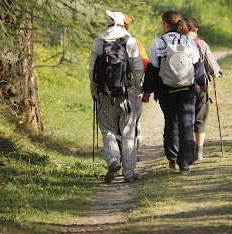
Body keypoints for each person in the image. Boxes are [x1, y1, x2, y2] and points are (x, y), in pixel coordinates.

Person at [142, 10, 207, 174]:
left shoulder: (157, 42)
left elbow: (152, 70)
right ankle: (184, 163)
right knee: (187, 124)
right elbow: (197, 65)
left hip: (166, 91)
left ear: (165, 24)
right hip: (187, 90)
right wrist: (203, 83)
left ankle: (173, 158)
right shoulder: (188, 41)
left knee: (171, 122)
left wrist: (147, 92)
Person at [89, 10, 144, 183]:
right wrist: (137, 88)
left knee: (108, 130)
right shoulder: (130, 41)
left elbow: (92, 72)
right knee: (128, 132)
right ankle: (129, 173)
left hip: (105, 94)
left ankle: (113, 159)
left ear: (107, 24)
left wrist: (94, 91)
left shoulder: (99, 42)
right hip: (127, 94)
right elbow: (138, 68)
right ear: (122, 24)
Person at [184, 18, 221, 162]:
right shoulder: (201, 44)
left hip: (181, 86)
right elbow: (212, 67)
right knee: (201, 118)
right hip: (200, 86)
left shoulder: (178, 43)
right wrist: (215, 73)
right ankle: (199, 151)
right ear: (196, 30)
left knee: (185, 118)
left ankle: (186, 149)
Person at [122, 13, 149, 148]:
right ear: (126, 26)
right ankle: (132, 149)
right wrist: (140, 85)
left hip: (108, 90)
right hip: (132, 88)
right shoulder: (133, 41)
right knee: (133, 119)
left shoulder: (101, 41)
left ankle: (116, 152)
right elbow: (144, 64)